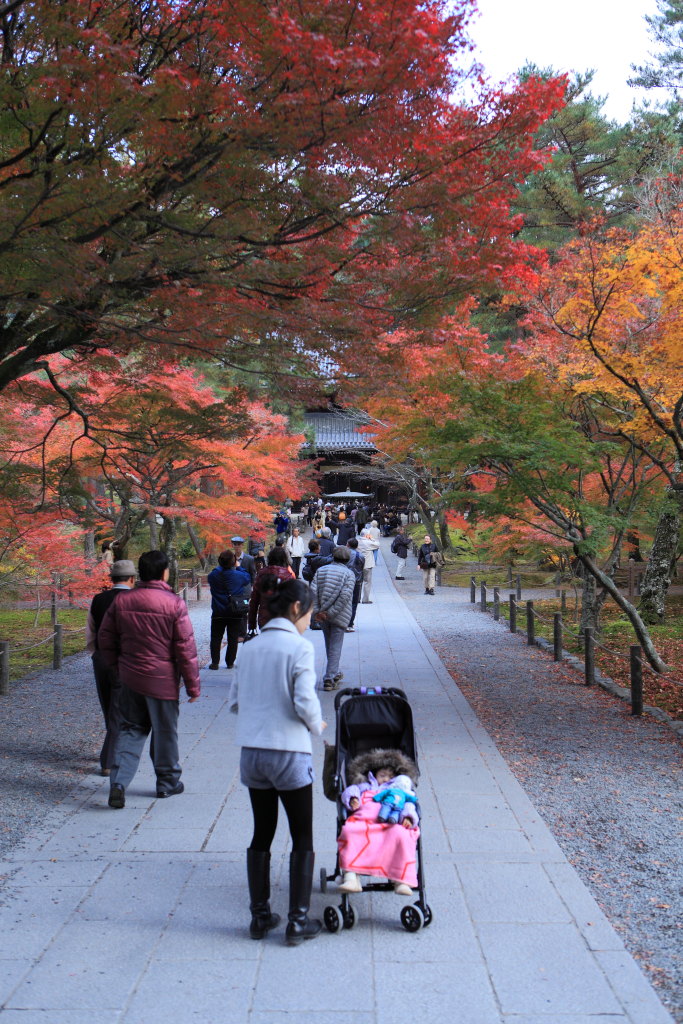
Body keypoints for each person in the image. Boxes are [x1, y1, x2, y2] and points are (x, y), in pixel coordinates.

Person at [228, 579, 326, 945]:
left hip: (252, 751)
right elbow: (304, 701)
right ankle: (298, 921)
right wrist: (318, 725)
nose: (308, 621)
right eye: (309, 614)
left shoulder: (249, 647)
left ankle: (260, 916)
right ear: (298, 609)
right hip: (288, 751)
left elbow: (235, 701)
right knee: (301, 834)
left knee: (262, 831)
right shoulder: (300, 648)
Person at [99, 550, 200, 808]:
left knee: (131, 730)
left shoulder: (122, 602)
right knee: (165, 732)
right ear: (165, 572)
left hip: (130, 677)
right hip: (162, 681)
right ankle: (166, 783)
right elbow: (185, 649)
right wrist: (192, 685)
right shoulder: (174, 603)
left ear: (140, 573)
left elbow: (105, 639)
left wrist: (117, 667)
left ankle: (119, 782)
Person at [337, 748, 420, 896]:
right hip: (365, 821)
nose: (386, 779)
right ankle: (350, 877)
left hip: (392, 823)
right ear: (374, 775)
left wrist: (408, 817)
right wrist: (353, 799)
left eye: (391, 777)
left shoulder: (400, 792)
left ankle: (401, 880)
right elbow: (351, 790)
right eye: (382, 775)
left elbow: (409, 805)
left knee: (401, 835)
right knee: (350, 831)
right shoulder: (367, 786)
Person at [86, 559, 137, 776]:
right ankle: (108, 760)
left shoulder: (98, 599)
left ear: (111, 579)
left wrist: (95, 653)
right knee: (119, 708)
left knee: (107, 704)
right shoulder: (136, 599)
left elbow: (91, 630)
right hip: (125, 660)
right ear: (132, 579)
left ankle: (111, 742)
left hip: (101, 658)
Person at [310, 546, 355, 691]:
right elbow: (345, 596)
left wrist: (318, 611)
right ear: (347, 559)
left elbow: (313, 591)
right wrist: (330, 613)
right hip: (339, 614)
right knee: (335, 645)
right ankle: (329, 678)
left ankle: (334, 672)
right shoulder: (349, 574)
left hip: (322, 614)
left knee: (329, 644)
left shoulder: (321, 571)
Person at [207, 550, 251, 670]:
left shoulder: (213, 575)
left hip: (218, 611)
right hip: (234, 611)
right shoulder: (239, 575)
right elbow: (247, 578)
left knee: (216, 637)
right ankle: (230, 662)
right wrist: (239, 567)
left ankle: (215, 662)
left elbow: (212, 575)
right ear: (234, 562)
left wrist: (220, 567)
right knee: (233, 638)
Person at [248, 547, 296, 632]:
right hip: (283, 620)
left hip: (264, 619)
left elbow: (254, 601)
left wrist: (252, 623)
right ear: (284, 559)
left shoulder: (261, 574)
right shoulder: (288, 576)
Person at [345, 537, 364, 632]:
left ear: (348, 545)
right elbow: (361, 567)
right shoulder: (360, 555)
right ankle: (350, 623)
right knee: (354, 603)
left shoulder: (344, 554)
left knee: (344, 601)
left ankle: (343, 622)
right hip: (356, 580)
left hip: (345, 580)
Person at [357, 530, 376, 604]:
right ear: (366, 535)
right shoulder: (368, 542)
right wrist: (371, 538)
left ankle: (357, 598)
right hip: (367, 565)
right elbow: (377, 544)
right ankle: (365, 599)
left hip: (359, 564)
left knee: (358, 582)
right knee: (367, 582)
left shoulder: (358, 542)